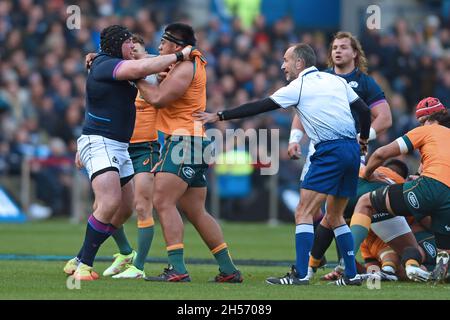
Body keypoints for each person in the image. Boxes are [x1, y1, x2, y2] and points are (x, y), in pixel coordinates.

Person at [196, 43, 372, 286]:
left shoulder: (298, 86)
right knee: (335, 216)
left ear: (299, 63)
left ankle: (301, 274)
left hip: (330, 150)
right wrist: (362, 140)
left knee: (303, 212)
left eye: (286, 60)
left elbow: (260, 106)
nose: (282, 65)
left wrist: (220, 116)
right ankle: (351, 275)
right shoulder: (336, 81)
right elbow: (364, 111)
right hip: (351, 150)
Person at [62, 25, 193, 281]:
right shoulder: (106, 64)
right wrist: (179, 56)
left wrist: (165, 64)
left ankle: (80, 257)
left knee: (123, 210)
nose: (131, 46)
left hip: (118, 146)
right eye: (127, 43)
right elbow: (142, 68)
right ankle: (84, 267)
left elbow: (144, 67)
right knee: (108, 202)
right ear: (117, 45)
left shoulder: (111, 62)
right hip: (100, 141)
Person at [134, 23, 243, 283]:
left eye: (163, 41)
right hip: (194, 142)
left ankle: (177, 269)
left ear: (176, 46)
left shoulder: (185, 66)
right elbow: (148, 59)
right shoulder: (185, 63)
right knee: (196, 211)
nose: (159, 47)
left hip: (184, 141)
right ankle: (228, 270)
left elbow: (158, 98)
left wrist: (136, 78)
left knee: (162, 202)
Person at [288, 31, 392, 272]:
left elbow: (384, 117)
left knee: (330, 210)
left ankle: (313, 266)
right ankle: (333, 266)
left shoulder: (365, 82)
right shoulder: (320, 78)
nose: (337, 51)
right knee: (327, 211)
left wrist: (363, 137)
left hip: (350, 152)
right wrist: (295, 139)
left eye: (344, 47)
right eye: (334, 47)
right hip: (319, 150)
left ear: (355, 53)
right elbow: (300, 114)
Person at [354, 97, 450, 282]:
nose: (421, 125)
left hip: (429, 188)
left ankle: (346, 263)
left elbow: (381, 153)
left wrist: (367, 173)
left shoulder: (427, 131)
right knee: (443, 256)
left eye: (422, 121)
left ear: (429, 121)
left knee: (366, 202)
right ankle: (429, 269)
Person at [99, 34, 161, 279]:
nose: (133, 56)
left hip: (145, 147)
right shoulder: (116, 76)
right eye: (130, 52)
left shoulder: (155, 75)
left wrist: (144, 58)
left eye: (138, 52)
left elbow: (165, 62)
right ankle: (126, 252)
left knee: (142, 204)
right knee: (106, 204)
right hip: (117, 146)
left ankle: (139, 268)